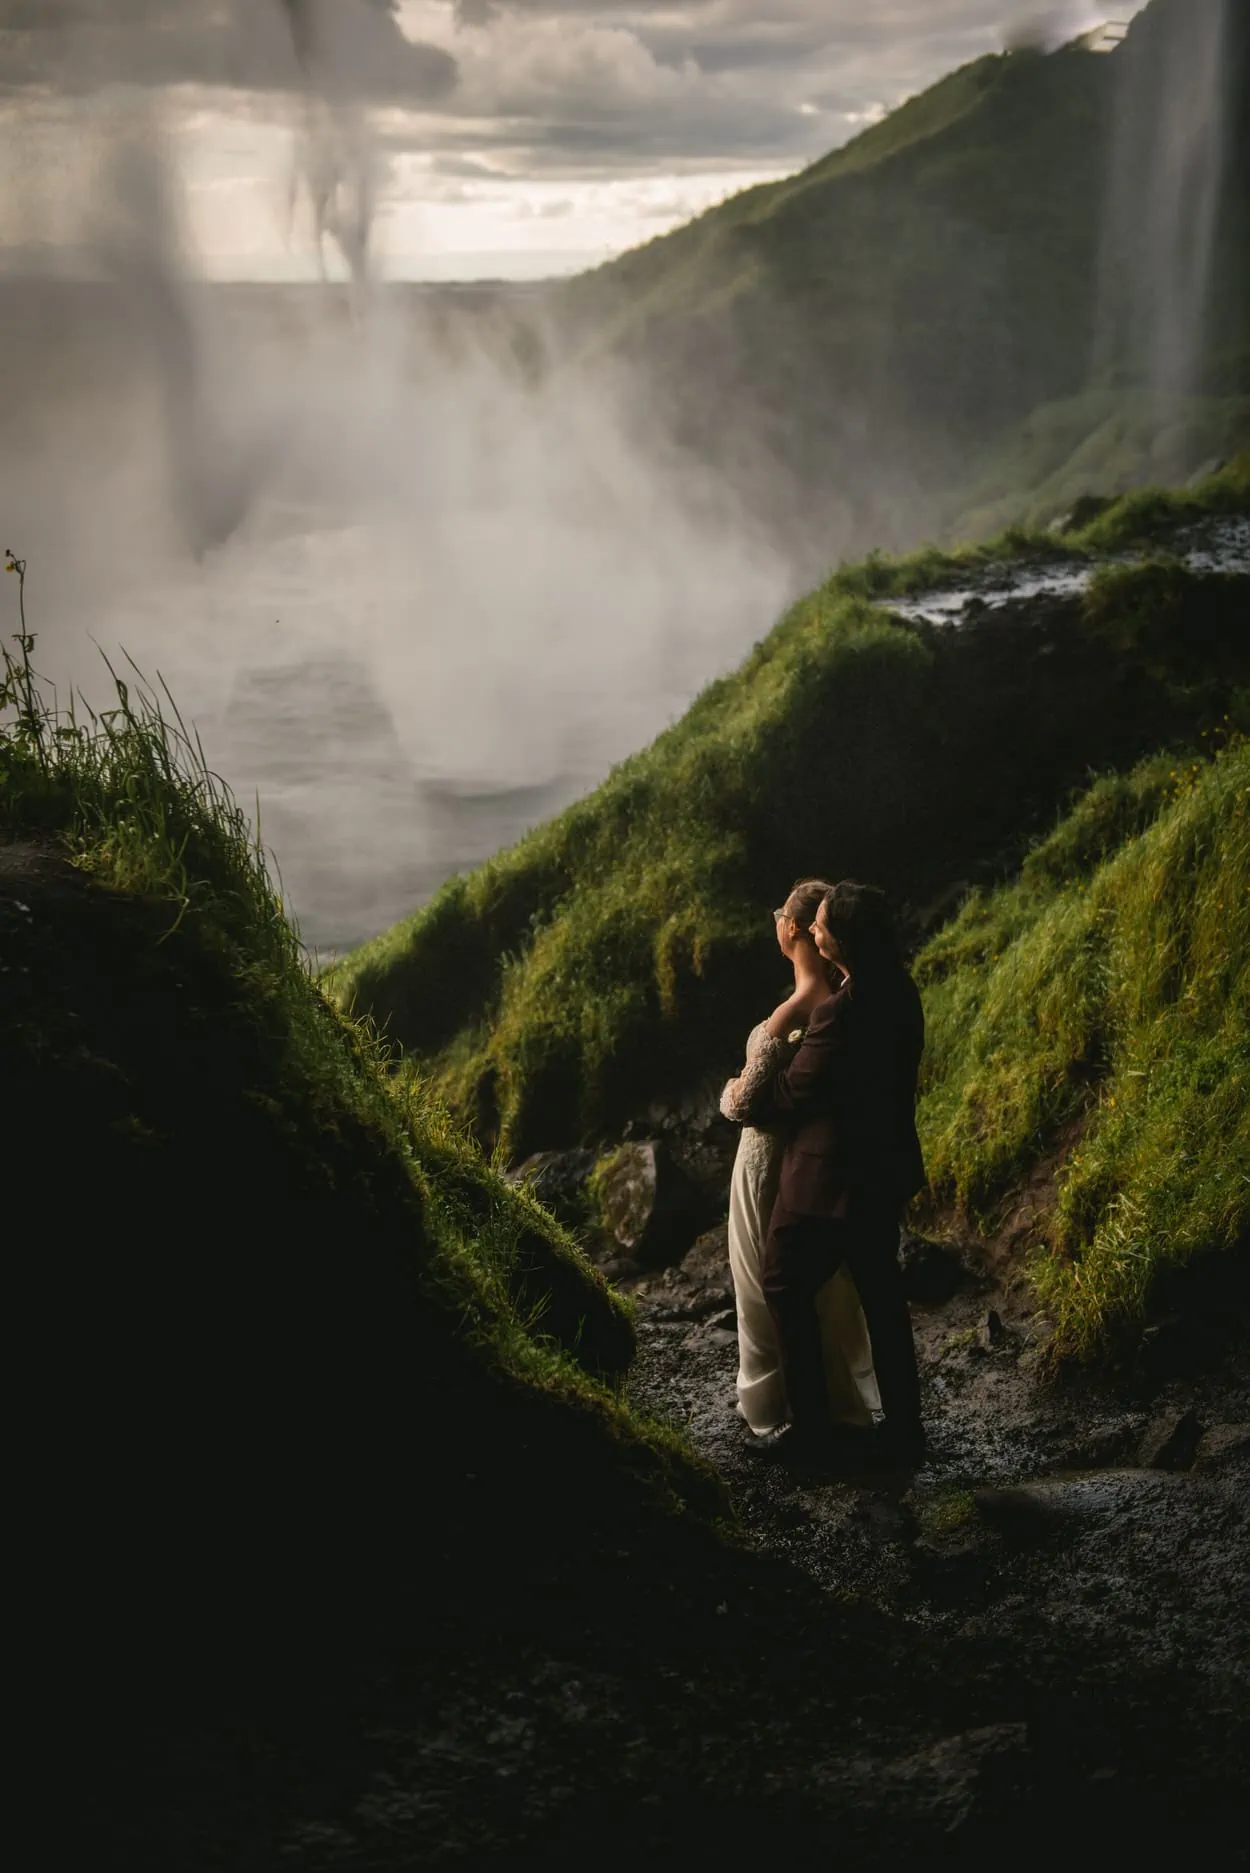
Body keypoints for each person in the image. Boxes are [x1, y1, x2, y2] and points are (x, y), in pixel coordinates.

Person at [755, 880, 926, 1467]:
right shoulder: (902, 993)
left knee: (781, 1281)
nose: (815, 928)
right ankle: (906, 1427)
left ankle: (812, 1431)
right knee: (882, 1295)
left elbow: (794, 1092)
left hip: (827, 1182)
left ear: (840, 943)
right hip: (885, 1169)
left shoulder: (839, 1012)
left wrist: (748, 1093)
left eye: (822, 924)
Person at [719, 881, 880, 1442]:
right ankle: (825, 1396)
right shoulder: (842, 999)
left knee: (765, 1278)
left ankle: (780, 1402)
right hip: (806, 1152)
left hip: (769, 1154)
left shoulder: (798, 1007)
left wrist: (727, 1090)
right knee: (816, 1284)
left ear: (793, 929)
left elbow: (743, 1103)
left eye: (783, 915)